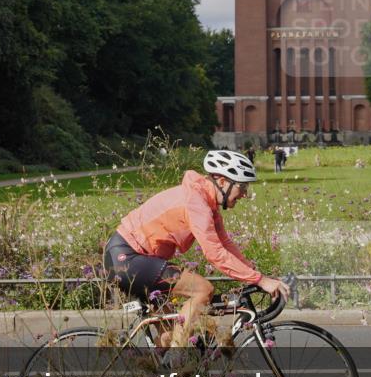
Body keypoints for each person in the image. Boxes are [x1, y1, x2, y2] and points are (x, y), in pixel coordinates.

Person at [104, 150, 290, 351]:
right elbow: (215, 254)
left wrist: (258, 276)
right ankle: (179, 358)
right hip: (127, 258)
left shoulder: (207, 204)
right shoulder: (196, 204)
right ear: (222, 181)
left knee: (168, 338)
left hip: (137, 260)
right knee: (203, 290)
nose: (245, 193)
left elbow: (225, 244)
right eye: (242, 186)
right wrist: (260, 280)